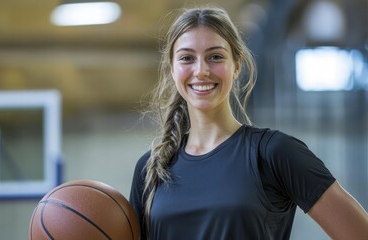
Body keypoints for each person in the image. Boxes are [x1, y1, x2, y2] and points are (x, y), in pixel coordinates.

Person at [129, 5, 368, 240]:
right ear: (172, 68)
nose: (201, 70)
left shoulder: (274, 153)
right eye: (187, 58)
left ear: (237, 65)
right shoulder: (149, 170)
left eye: (215, 57)